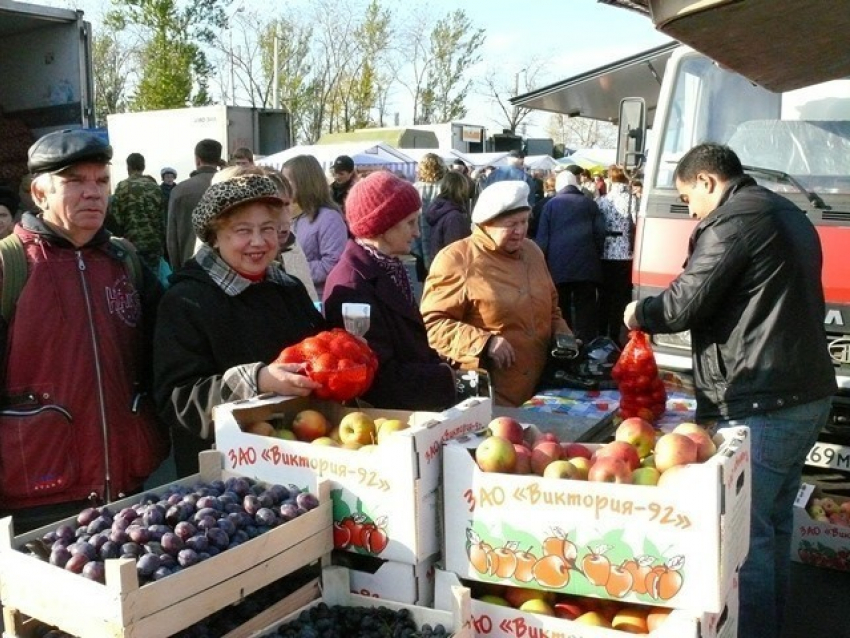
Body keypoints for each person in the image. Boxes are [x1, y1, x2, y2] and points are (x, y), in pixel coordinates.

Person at [623, 143, 836, 638]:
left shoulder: (733, 221)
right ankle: (774, 622)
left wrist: (640, 313)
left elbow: (683, 302)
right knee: (775, 524)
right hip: (805, 391)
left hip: (764, 399)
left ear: (707, 182)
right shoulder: (786, 211)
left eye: (687, 198)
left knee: (746, 540)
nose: (689, 210)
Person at [0, 129, 166, 532]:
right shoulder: (10, 265)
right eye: (75, 181)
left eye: (101, 180)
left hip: (133, 489)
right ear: (39, 194)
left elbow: (169, 347)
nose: (93, 192)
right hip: (38, 497)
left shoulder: (124, 261)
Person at [154, 171, 325, 477]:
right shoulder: (185, 301)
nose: (258, 242)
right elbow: (177, 400)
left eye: (268, 228)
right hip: (225, 477)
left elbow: (317, 356)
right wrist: (257, 380)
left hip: (301, 462)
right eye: (242, 230)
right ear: (215, 236)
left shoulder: (289, 290)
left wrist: (343, 355)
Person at [421, 181, 572, 407]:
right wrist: (485, 342)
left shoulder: (532, 251)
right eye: (511, 224)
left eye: (524, 221)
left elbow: (552, 306)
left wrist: (562, 333)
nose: (520, 231)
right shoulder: (457, 259)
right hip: (486, 391)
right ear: (486, 225)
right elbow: (433, 324)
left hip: (540, 389)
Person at [323, 172, 457, 411]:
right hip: (385, 421)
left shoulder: (387, 266)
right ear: (383, 226)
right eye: (410, 222)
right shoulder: (353, 285)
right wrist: (444, 377)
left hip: (410, 410)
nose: (416, 232)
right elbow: (375, 375)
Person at [536, 170, 605, 343]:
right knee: (586, 310)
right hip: (587, 266)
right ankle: (587, 344)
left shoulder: (550, 205)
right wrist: (596, 254)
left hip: (557, 267)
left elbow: (542, 238)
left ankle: (564, 345)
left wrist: (541, 263)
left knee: (561, 309)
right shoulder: (590, 204)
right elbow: (600, 234)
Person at [282, 155, 348, 299]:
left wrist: (291, 269)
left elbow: (332, 264)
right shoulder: (285, 214)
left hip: (317, 300)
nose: (283, 187)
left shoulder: (328, 218)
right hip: (290, 296)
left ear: (304, 182)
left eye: (287, 181)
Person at [596, 165, 637, 345]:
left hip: (605, 251)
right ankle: (614, 332)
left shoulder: (603, 200)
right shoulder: (631, 200)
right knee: (619, 296)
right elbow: (636, 223)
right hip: (624, 252)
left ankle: (601, 330)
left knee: (604, 294)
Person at [167, 138, 221, 268]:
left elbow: (172, 238)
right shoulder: (228, 186)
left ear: (197, 160)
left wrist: (177, 270)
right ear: (218, 159)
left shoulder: (179, 190)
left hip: (191, 265)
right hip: (225, 267)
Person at [110, 152, 165, 270]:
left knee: (135, 278)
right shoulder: (154, 186)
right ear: (143, 167)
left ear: (128, 167)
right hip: (153, 243)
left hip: (130, 243)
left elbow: (116, 217)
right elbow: (162, 218)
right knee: (154, 280)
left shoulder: (122, 186)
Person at [425, 171, 472, 261]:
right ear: (462, 188)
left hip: (438, 262)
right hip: (450, 266)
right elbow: (455, 249)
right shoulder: (454, 216)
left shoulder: (439, 208)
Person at [412, 153, 446, 275]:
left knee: (425, 283)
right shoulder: (446, 187)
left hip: (420, 239)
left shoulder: (414, 189)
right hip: (442, 241)